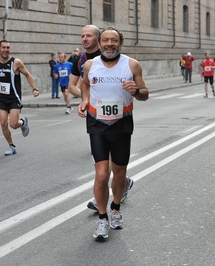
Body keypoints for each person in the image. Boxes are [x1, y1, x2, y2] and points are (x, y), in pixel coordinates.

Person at [78, 26, 149, 240]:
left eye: (114, 40)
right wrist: (84, 100)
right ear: (99, 44)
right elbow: (84, 85)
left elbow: (145, 94)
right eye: (106, 40)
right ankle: (102, 218)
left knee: (119, 174)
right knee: (101, 174)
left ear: (120, 43)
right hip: (97, 124)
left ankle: (116, 208)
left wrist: (135, 91)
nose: (110, 44)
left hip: (122, 125)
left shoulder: (132, 65)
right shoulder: (90, 65)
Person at [68, 25, 135, 212]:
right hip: (97, 118)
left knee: (117, 166)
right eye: (82, 36)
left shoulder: (113, 55)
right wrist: (86, 100)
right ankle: (104, 203)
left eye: (89, 36)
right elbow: (75, 86)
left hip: (119, 119)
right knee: (102, 169)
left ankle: (120, 185)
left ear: (97, 39)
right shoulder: (80, 60)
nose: (85, 39)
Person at [0, 40, 39, 156]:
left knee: (13, 124)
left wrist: (34, 88)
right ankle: (11, 146)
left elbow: (27, 75)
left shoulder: (16, 62)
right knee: (3, 123)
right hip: (1, 98)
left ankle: (23, 122)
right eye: (3, 47)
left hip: (14, 98)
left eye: (8, 47)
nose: (6, 50)